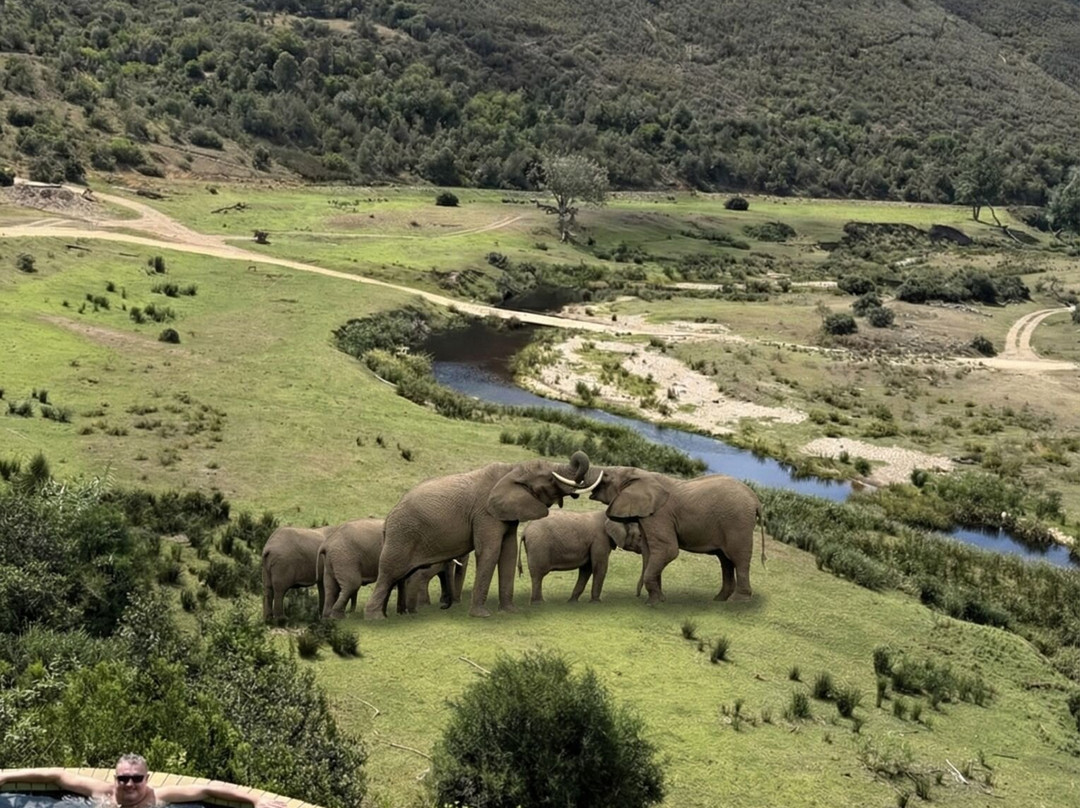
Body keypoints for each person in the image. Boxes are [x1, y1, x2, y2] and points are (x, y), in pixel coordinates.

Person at [0, 754, 284, 808]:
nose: (129, 784)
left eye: (136, 778)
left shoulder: (159, 797)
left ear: (146, 779)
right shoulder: (102, 792)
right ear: (116, 778)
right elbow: (57, 776)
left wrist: (255, 799)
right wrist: (5, 776)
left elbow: (207, 789)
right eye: (124, 778)